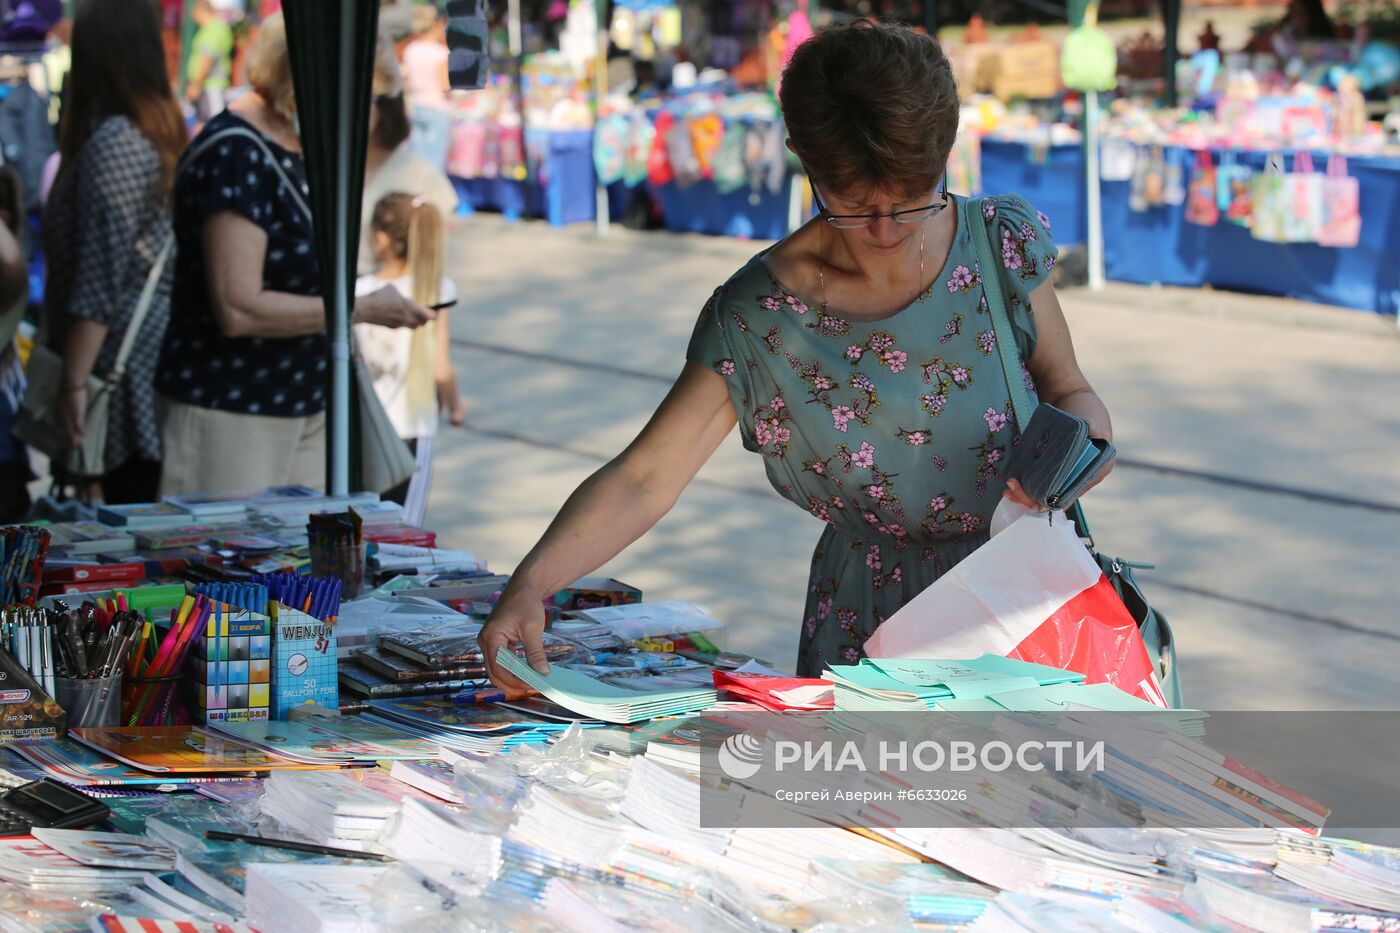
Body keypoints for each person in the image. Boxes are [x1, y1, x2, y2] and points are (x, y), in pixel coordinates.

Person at [480, 22, 1114, 685]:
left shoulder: (995, 243)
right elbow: (645, 477)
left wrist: (1085, 444)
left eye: (911, 203)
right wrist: (531, 584)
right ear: (803, 160)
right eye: (855, 208)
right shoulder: (758, 317)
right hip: (870, 620)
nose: (886, 230)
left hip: (1029, 594)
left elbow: (1071, 389)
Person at [157, 13, 433, 496]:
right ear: (305, 79)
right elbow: (239, 307)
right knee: (229, 565)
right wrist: (362, 308)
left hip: (302, 401)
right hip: (235, 409)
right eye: (363, 96)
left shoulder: (296, 146)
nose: (369, 115)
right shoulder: (237, 152)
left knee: (306, 565)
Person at [40, 0, 187, 504]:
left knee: (120, 520)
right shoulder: (146, 130)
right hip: (131, 360)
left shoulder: (117, 142)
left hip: (116, 370)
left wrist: (73, 384)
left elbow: (99, 279)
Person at [362, 36, 465, 427]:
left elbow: (433, 271)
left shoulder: (419, 175)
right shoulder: (327, 167)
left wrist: (442, 368)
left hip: (402, 313)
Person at [356, 193, 462, 525]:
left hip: (366, 424)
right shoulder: (434, 289)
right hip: (412, 425)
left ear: (380, 239)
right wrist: (456, 404)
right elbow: (441, 366)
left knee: (359, 522)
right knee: (404, 528)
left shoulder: (359, 292)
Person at [401, 7, 452, 169]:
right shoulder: (441, 53)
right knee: (433, 165)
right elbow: (446, 86)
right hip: (436, 109)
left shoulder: (411, 49)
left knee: (417, 161)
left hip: (416, 107)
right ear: (437, 25)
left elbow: (408, 81)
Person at [185, 0, 234, 125]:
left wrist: (196, 84)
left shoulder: (213, 29)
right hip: (211, 86)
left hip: (211, 86)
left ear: (199, 11)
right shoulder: (218, 27)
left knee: (214, 124)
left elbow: (207, 58)